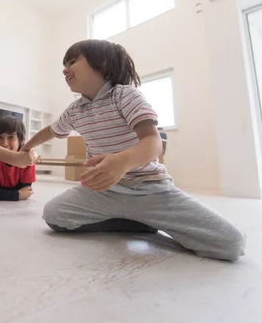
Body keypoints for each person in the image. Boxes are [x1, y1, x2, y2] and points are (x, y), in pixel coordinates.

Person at [22, 39, 246, 261]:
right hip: (104, 192)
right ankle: (131, 221)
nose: (65, 69)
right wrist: (27, 147)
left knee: (231, 244)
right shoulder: (74, 110)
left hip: (150, 190)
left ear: (102, 64)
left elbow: (153, 141)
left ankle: (143, 217)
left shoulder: (124, 95)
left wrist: (124, 161)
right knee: (54, 215)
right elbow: (51, 131)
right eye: (64, 64)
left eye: (72, 61)